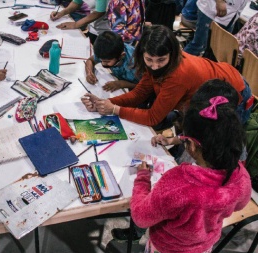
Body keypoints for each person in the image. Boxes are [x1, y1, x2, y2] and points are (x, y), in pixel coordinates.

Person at [131, 96, 252, 252]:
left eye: (185, 138)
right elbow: (240, 204)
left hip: (168, 247)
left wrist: (142, 179)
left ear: (193, 146)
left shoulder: (179, 182)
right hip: (204, 246)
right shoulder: (241, 176)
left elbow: (141, 217)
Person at [81, 25, 253, 131]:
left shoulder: (178, 75)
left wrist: (114, 109)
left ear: (172, 54)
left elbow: (153, 117)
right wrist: (106, 103)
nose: (154, 66)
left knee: (216, 145)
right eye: (149, 60)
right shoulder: (154, 61)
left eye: (161, 60)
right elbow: (139, 93)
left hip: (235, 93)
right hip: (212, 84)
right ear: (143, 55)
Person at [184, 0, 249, 56]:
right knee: (198, 46)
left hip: (232, 14)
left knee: (216, 51)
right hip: (213, 9)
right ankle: (179, 66)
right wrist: (219, 1)